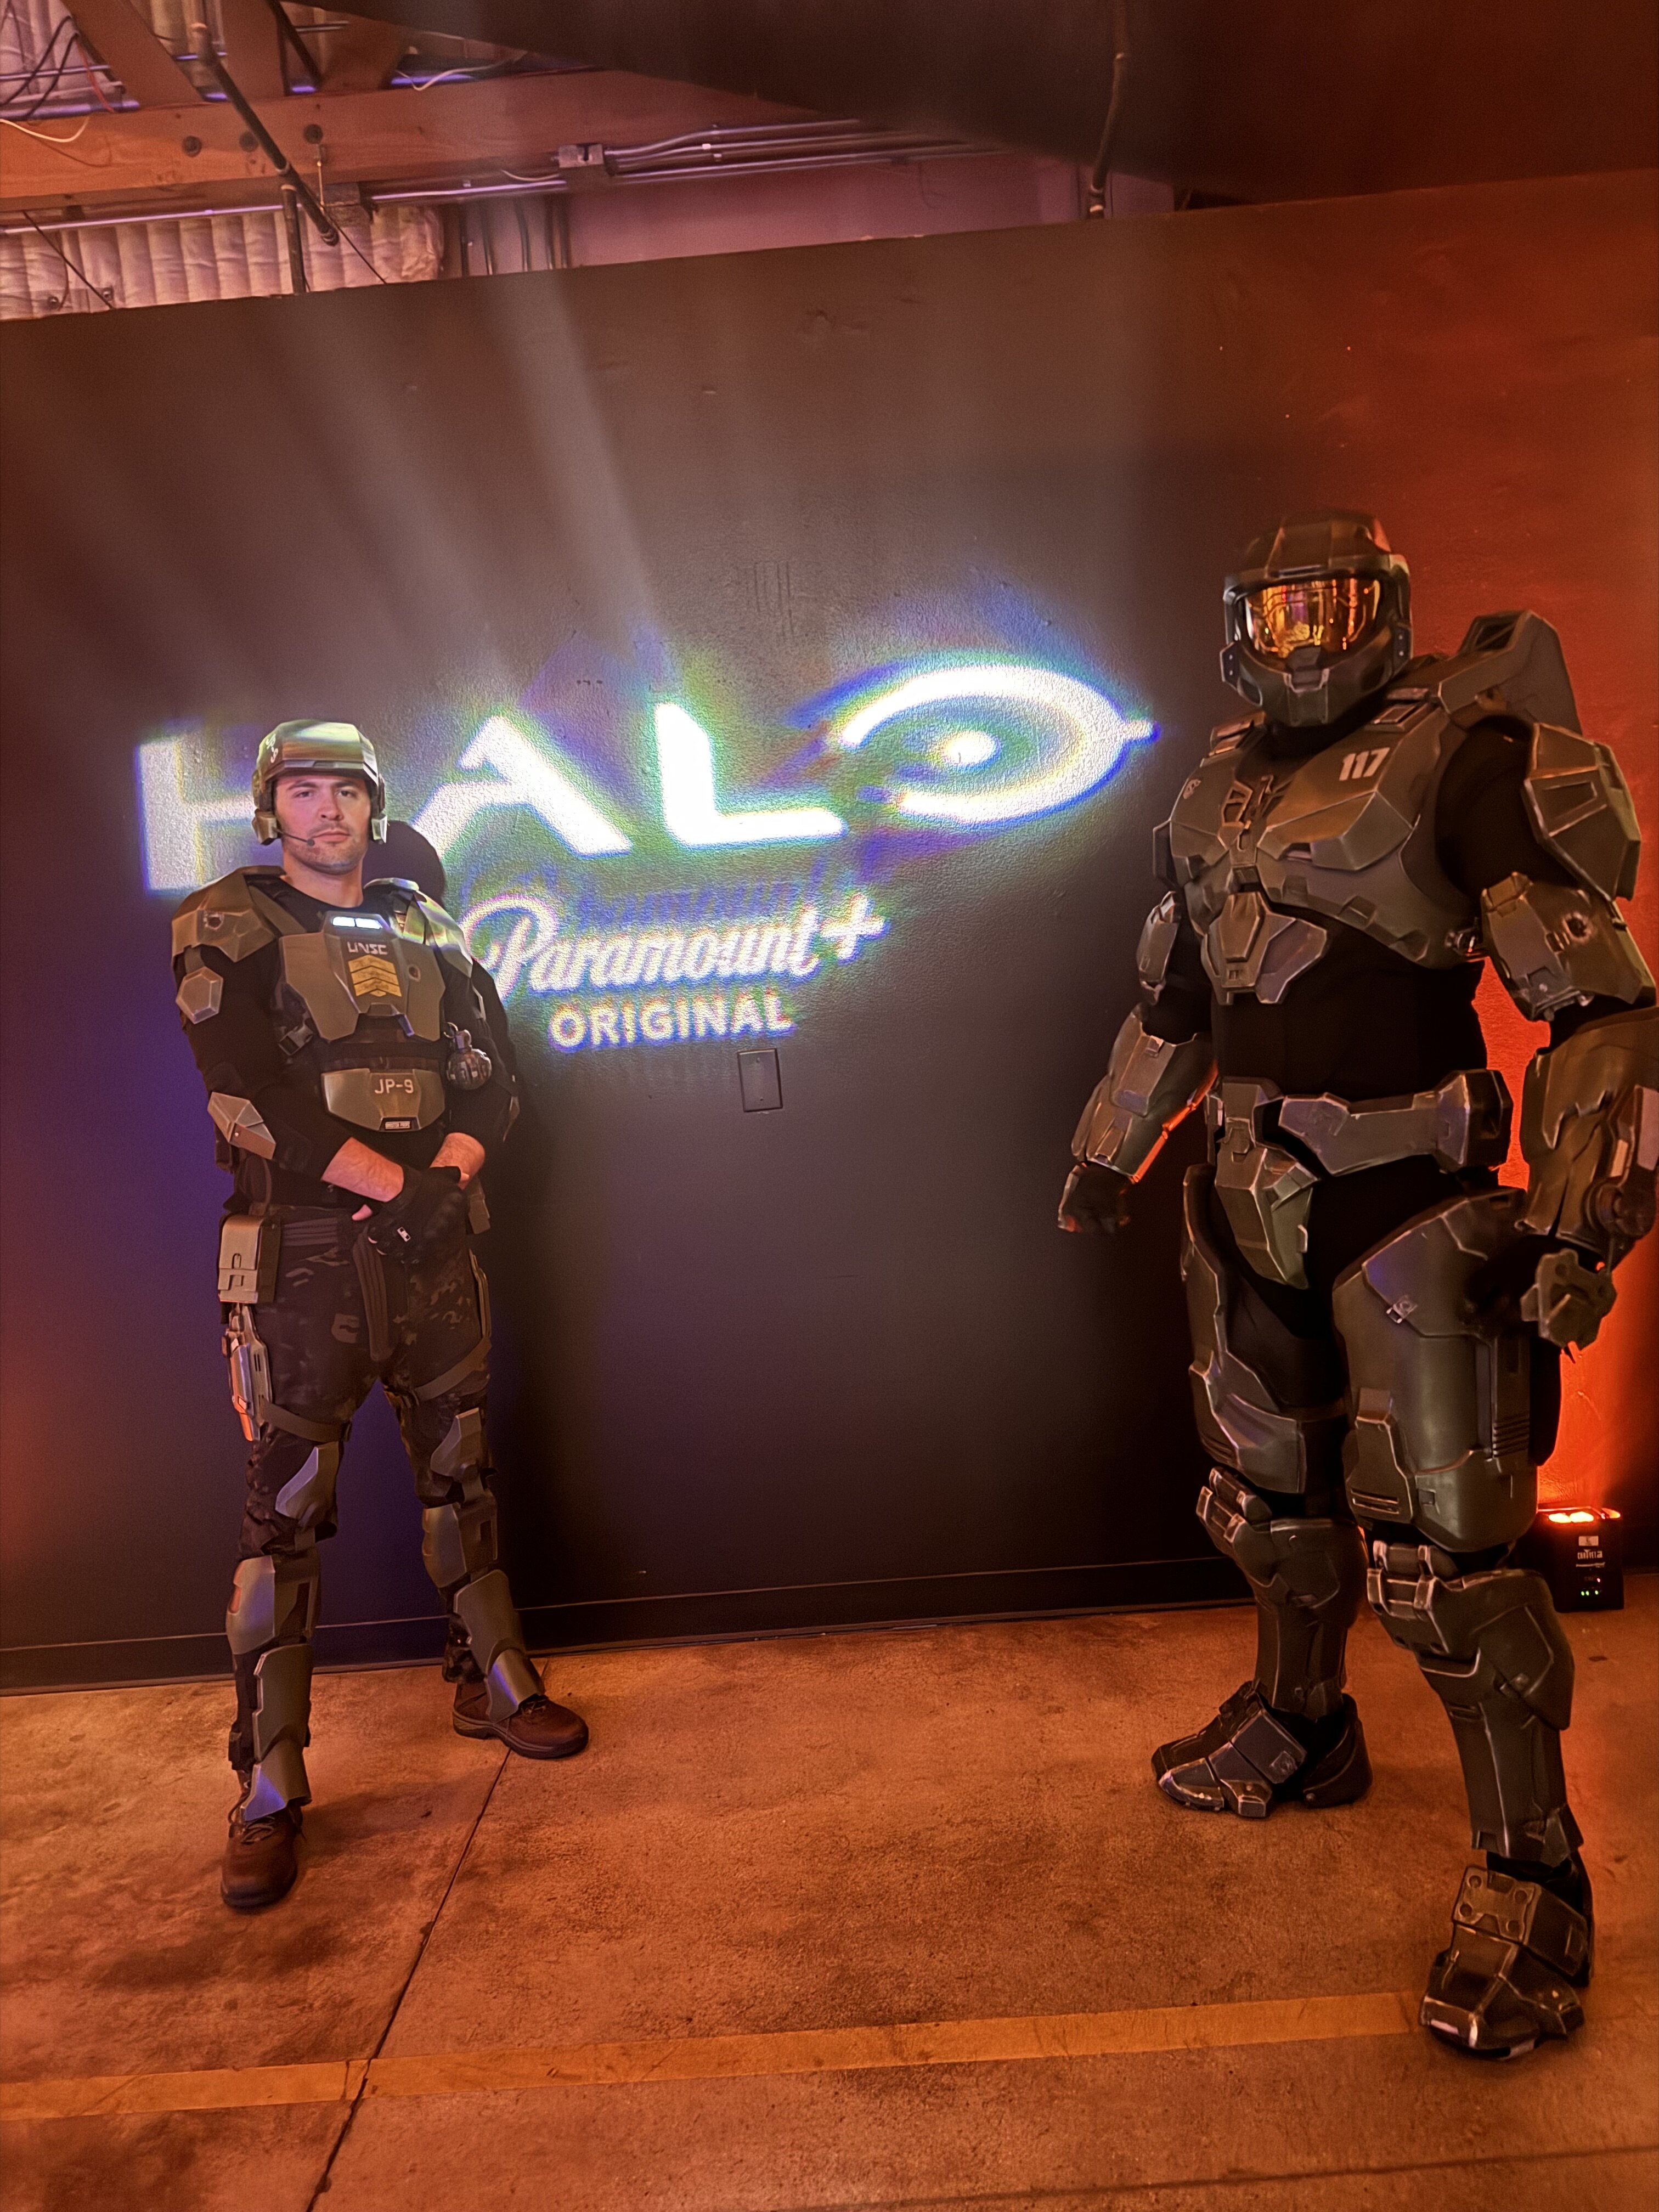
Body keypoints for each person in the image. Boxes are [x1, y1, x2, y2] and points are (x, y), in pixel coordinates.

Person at [1059, 515, 1656, 2057]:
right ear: (1238, 626)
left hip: (1411, 1206)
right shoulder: (1210, 790)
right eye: (1280, 611)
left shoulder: (1466, 753)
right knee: (1266, 1507)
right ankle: (1304, 1724)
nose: (1306, 638)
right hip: (1240, 1196)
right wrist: (1111, 1146)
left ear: (1387, 611)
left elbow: (1600, 1004)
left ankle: (1536, 1876)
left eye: (1333, 606)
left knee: (1452, 1567)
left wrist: (1584, 1217)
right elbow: (1174, 1000)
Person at [172, 721, 587, 1913]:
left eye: (347, 790)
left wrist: (442, 1183)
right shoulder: (225, 922)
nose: (329, 811)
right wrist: (393, 1188)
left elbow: (492, 1080)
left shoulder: (429, 926)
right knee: (285, 1515)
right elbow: (245, 1095)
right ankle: (267, 1785)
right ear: (272, 808)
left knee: (463, 1470)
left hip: (435, 1246)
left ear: (375, 805)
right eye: (304, 791)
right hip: (306, 1257)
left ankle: (493, 1681)